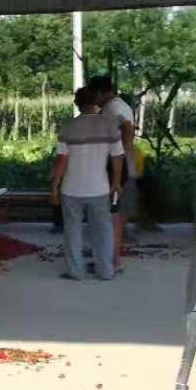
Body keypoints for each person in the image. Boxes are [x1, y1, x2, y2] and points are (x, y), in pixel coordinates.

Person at [52, 85, 124, 281]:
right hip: (99, 189)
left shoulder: (68, 127)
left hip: (71, 189)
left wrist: (55, 185)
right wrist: (116, 182)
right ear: (96, 102)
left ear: (77, 103)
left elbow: (61, 161)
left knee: (73, 230)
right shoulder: (110, 126)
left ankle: (75, 271)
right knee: (103, 231)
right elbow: (118, 157)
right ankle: (106, 271)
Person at [88, 76, 136, 272]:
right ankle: (110, 258)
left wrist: (120, 151)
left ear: (100, 91)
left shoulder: (113, 109)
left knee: (111, 215)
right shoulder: (118, 105)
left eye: (93, 94)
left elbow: (126, 128)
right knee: (111, 215)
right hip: (118, 165)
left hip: (115, 167)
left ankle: (113, 261)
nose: (92, 99)